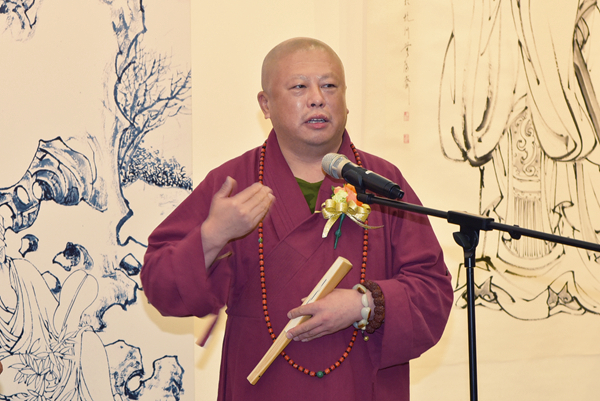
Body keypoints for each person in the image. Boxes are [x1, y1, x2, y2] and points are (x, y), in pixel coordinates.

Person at [141, 37, 453, 401]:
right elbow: (160, 284)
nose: (318, 98)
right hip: (263, 390)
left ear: (346, 100)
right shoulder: (234, 184)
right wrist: (212, 235)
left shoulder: (381, 183)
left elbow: (433, 291)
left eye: (330, 86)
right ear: (266, 104)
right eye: (299, 87)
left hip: (359, 386)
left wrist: (363, 305)